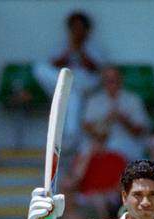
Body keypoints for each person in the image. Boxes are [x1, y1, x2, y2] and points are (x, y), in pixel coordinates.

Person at [33, 12, 105, 147]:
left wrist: (81, 50)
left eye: (80, 27)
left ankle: (70, 139)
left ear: (86, 29)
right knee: (40, 68)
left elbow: (96, 69)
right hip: (64, 84)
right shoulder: (63, 44)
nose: (77, 31)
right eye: (74, 28)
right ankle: (71, 137)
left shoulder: (94, 46)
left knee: (72, 93)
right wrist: (69, 51)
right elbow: (53, 64)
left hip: (85, 82)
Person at [83, 65, 151, 162]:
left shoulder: (133, 99)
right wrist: (106, 121)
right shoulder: (94, 100)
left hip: (127, 142)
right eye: (108, 79)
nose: (111, 82)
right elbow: (86, 127)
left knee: (118, 149)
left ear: (120, 80)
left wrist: (123, 120)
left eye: (114, 79)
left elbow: (139, 131)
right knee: (85, 151)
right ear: (103, 80)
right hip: (99, 143)